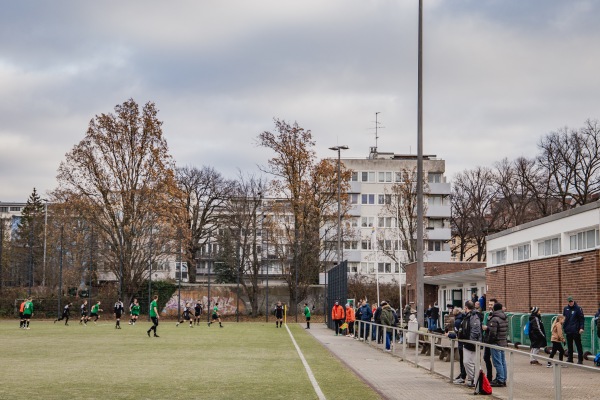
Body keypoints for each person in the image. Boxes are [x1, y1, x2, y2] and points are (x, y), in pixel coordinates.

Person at [461, 301, 482, 388]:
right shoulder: (468, 316)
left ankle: (477, 379)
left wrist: (471, 341)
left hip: (472, 343)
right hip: (467, 342)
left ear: (466, 307)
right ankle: (474, 379)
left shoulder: (474, 316)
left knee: (472, 362)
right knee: (467, 362)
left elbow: (475, 330)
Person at [486, 302, 508, 387]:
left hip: (496, 342)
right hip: (503, 341)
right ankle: (503, 378)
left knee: (497, 362)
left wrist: (489, 341)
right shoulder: (504, 317)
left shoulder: (494, 319)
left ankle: (500, 380)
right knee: (503, 361)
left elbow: (493, 333)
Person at [563, 296, 585, 364]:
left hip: (575, 330)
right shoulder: (566, 309)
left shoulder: (578, 309)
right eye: (569, 302)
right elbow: (564, 319)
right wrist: (564, 327)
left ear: (573, 301)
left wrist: (581, 328)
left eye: (572, 301)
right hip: (568, 330)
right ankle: (570, 358)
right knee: (569, 345)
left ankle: (580, 359)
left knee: (578, 345)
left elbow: (581, 319)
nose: (571, 303)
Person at [481, 298, 498, 383]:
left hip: (494, 340)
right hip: (487, 339)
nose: (490, 306)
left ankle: (499, 377)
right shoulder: (488, 314)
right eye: (489, 304)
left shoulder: (497, 315)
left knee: (496, 360)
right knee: (486, 357)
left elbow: (495, 328)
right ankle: (489, 375)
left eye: (491, 304)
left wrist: (487, 328)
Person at [451, 307, 468, 385]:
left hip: (462, 343)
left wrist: (450, 335)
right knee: (462, 360)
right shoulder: (462, 318)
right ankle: (462, 374)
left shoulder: (458, 321)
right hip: (463, 343)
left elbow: (458, 333)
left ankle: (463, 376)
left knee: (462, 360)